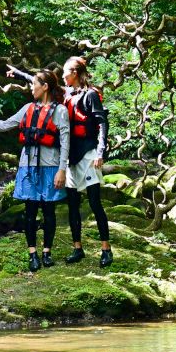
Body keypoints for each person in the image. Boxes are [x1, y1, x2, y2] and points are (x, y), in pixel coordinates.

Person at [0, 70, 69, 272]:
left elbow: (65, 143)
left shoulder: (60, 111)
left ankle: (47, 252)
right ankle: (32, 254)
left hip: (51, 167)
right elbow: (3, 125)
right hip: (27, 167)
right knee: (30, 212)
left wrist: (62, 170)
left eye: (34, 83)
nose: (31, 87)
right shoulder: (27, 109)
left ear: (45, 87)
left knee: (49, 212)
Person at [62, 56, 112, 268]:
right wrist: (17, 73)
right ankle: (77, 248)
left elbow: (102, 123)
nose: (62, 76)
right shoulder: (67, 95)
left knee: (94, 202)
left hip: (90, 153)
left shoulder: (90, 95)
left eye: (65, 72)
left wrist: (100, 151)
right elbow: (42, 81)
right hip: (71, 157)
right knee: (72, 204)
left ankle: (106, 250)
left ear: (74, 73)